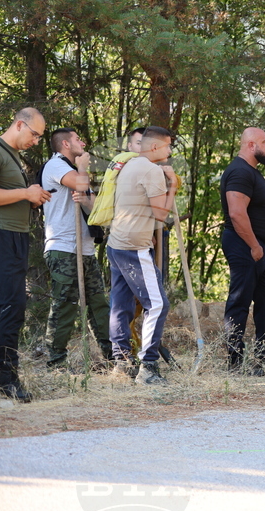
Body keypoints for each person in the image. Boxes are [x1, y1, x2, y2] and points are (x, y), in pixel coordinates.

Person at [107, 126, 178, 385]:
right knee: (157, 304)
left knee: (121, 304)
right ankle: (148, 367)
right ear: (156, 146)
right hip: (135, 247)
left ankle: (122, 363)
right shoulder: (150, 170)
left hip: (117, 242)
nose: (170, 151)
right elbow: (160, 214)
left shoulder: (129, 165)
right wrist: (173, 186)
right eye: (168, 145)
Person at [220, 128, 265, 376]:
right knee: (240, 300)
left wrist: (262, 247)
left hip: (260, 247)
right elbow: (236, 213)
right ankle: (235, 360)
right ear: (251, 145)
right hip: (245, 244)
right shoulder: (240, 171)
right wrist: (254, 246)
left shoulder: (252, 172)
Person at [42, 128, 112, 370]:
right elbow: (80, 182)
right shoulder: (55, 165)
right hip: (63, 248)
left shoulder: (76, 170)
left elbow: (97, 209)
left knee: (98, 304)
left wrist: (86, 200)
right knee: (65, 304)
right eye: (77, 139)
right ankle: (56, 363)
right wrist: (82, 167)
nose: (82, 143)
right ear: (65, 144)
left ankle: (113, 356)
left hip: (86, 249)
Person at [0, 108, 52, 401]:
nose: (36, 141)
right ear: (19, 124)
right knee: (11, 307)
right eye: (35, 134)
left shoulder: (10, 155)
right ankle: (7, 378)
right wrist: (25, 193)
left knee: (3, 308)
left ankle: (0, 374)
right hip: (2, 237)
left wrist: (31, 199)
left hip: (13, 236)